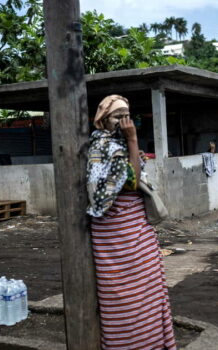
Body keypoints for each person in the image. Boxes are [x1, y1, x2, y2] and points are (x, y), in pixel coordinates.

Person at [87, 95, 177, 350]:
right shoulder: (103, 146)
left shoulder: (119, 145)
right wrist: (132, 139)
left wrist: (130, 146)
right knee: (123, 298)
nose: (125, 122)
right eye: (118, 117)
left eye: (127, 116)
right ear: (103, 121)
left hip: (137, 230)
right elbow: (131, 182)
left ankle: (153, 342)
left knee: (148, 293)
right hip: (117, 236)